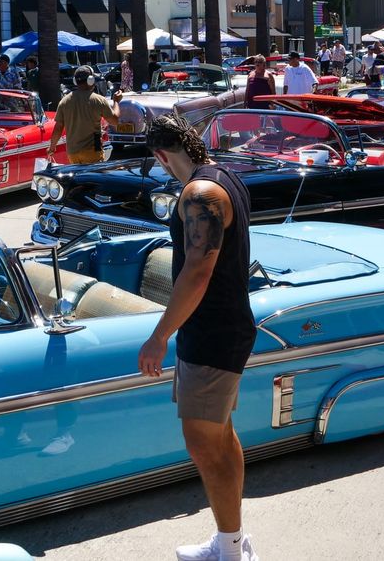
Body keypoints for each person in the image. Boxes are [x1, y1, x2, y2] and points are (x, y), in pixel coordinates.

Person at [137, 113, 257, 561]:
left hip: (212, 333)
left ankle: (231, 551)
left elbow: (198, 270)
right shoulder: (225, 176)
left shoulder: (199, 193)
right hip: (222, 327)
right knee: (219, 438)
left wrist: (159, 336)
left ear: (162, 157)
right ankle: (232, 541)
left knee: (204, 444)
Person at [47, 66, 122, 164]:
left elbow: (58, 127)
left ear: (75, 81)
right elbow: (115, 121)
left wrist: (52, 147)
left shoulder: (64, 101)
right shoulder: (98, 100)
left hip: (73, 153)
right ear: (90, 80)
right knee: (93, 174)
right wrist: (116, 101)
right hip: (93, 151)